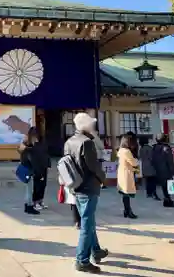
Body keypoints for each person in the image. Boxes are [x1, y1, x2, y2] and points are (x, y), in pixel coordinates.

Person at [64, 112, 108, 274]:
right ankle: (82, 260)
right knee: (87, 224)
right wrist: (103, 178)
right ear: (86, 126)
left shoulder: (69, 142)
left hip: (76, 186)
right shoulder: (87, 143)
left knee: (88, 220)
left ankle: (96, 250)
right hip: (89, 187)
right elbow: (94, 166)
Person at [18, 127, 40, 215]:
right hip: (29, 169)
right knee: (29, 189)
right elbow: (32, 159)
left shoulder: (24, 143)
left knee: (28, 188)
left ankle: (27, 206)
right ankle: (29, 206)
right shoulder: (30, 147)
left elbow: (20, 152)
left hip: (24, 168)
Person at [117, 134, 140, 219]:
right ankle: (128, 210)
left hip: (123, 173)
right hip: (126, 174)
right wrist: (136, 160)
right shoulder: (127, 151)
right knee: (126, 194)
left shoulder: (121, 150)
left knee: (124, 194)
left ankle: (127, 210)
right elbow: (134, 163)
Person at [152, 134, 174, 208]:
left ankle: (167, 199)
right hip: (166, 169)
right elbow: (169, 160)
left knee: (164, 185)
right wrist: (173, 171)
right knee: (168, 185)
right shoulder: (166, 148)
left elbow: (152, 159)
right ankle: (168, 200)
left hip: (158, 169)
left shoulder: (154, 147)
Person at [139, 136, 159, 200]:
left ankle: (148, 193)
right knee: (153, 180)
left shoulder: (141, 149)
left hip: (144, 167)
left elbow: (140, 157)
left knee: (147, 180)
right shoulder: (150, 148)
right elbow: (152, 158)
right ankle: (153, 193)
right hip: (151, 166)